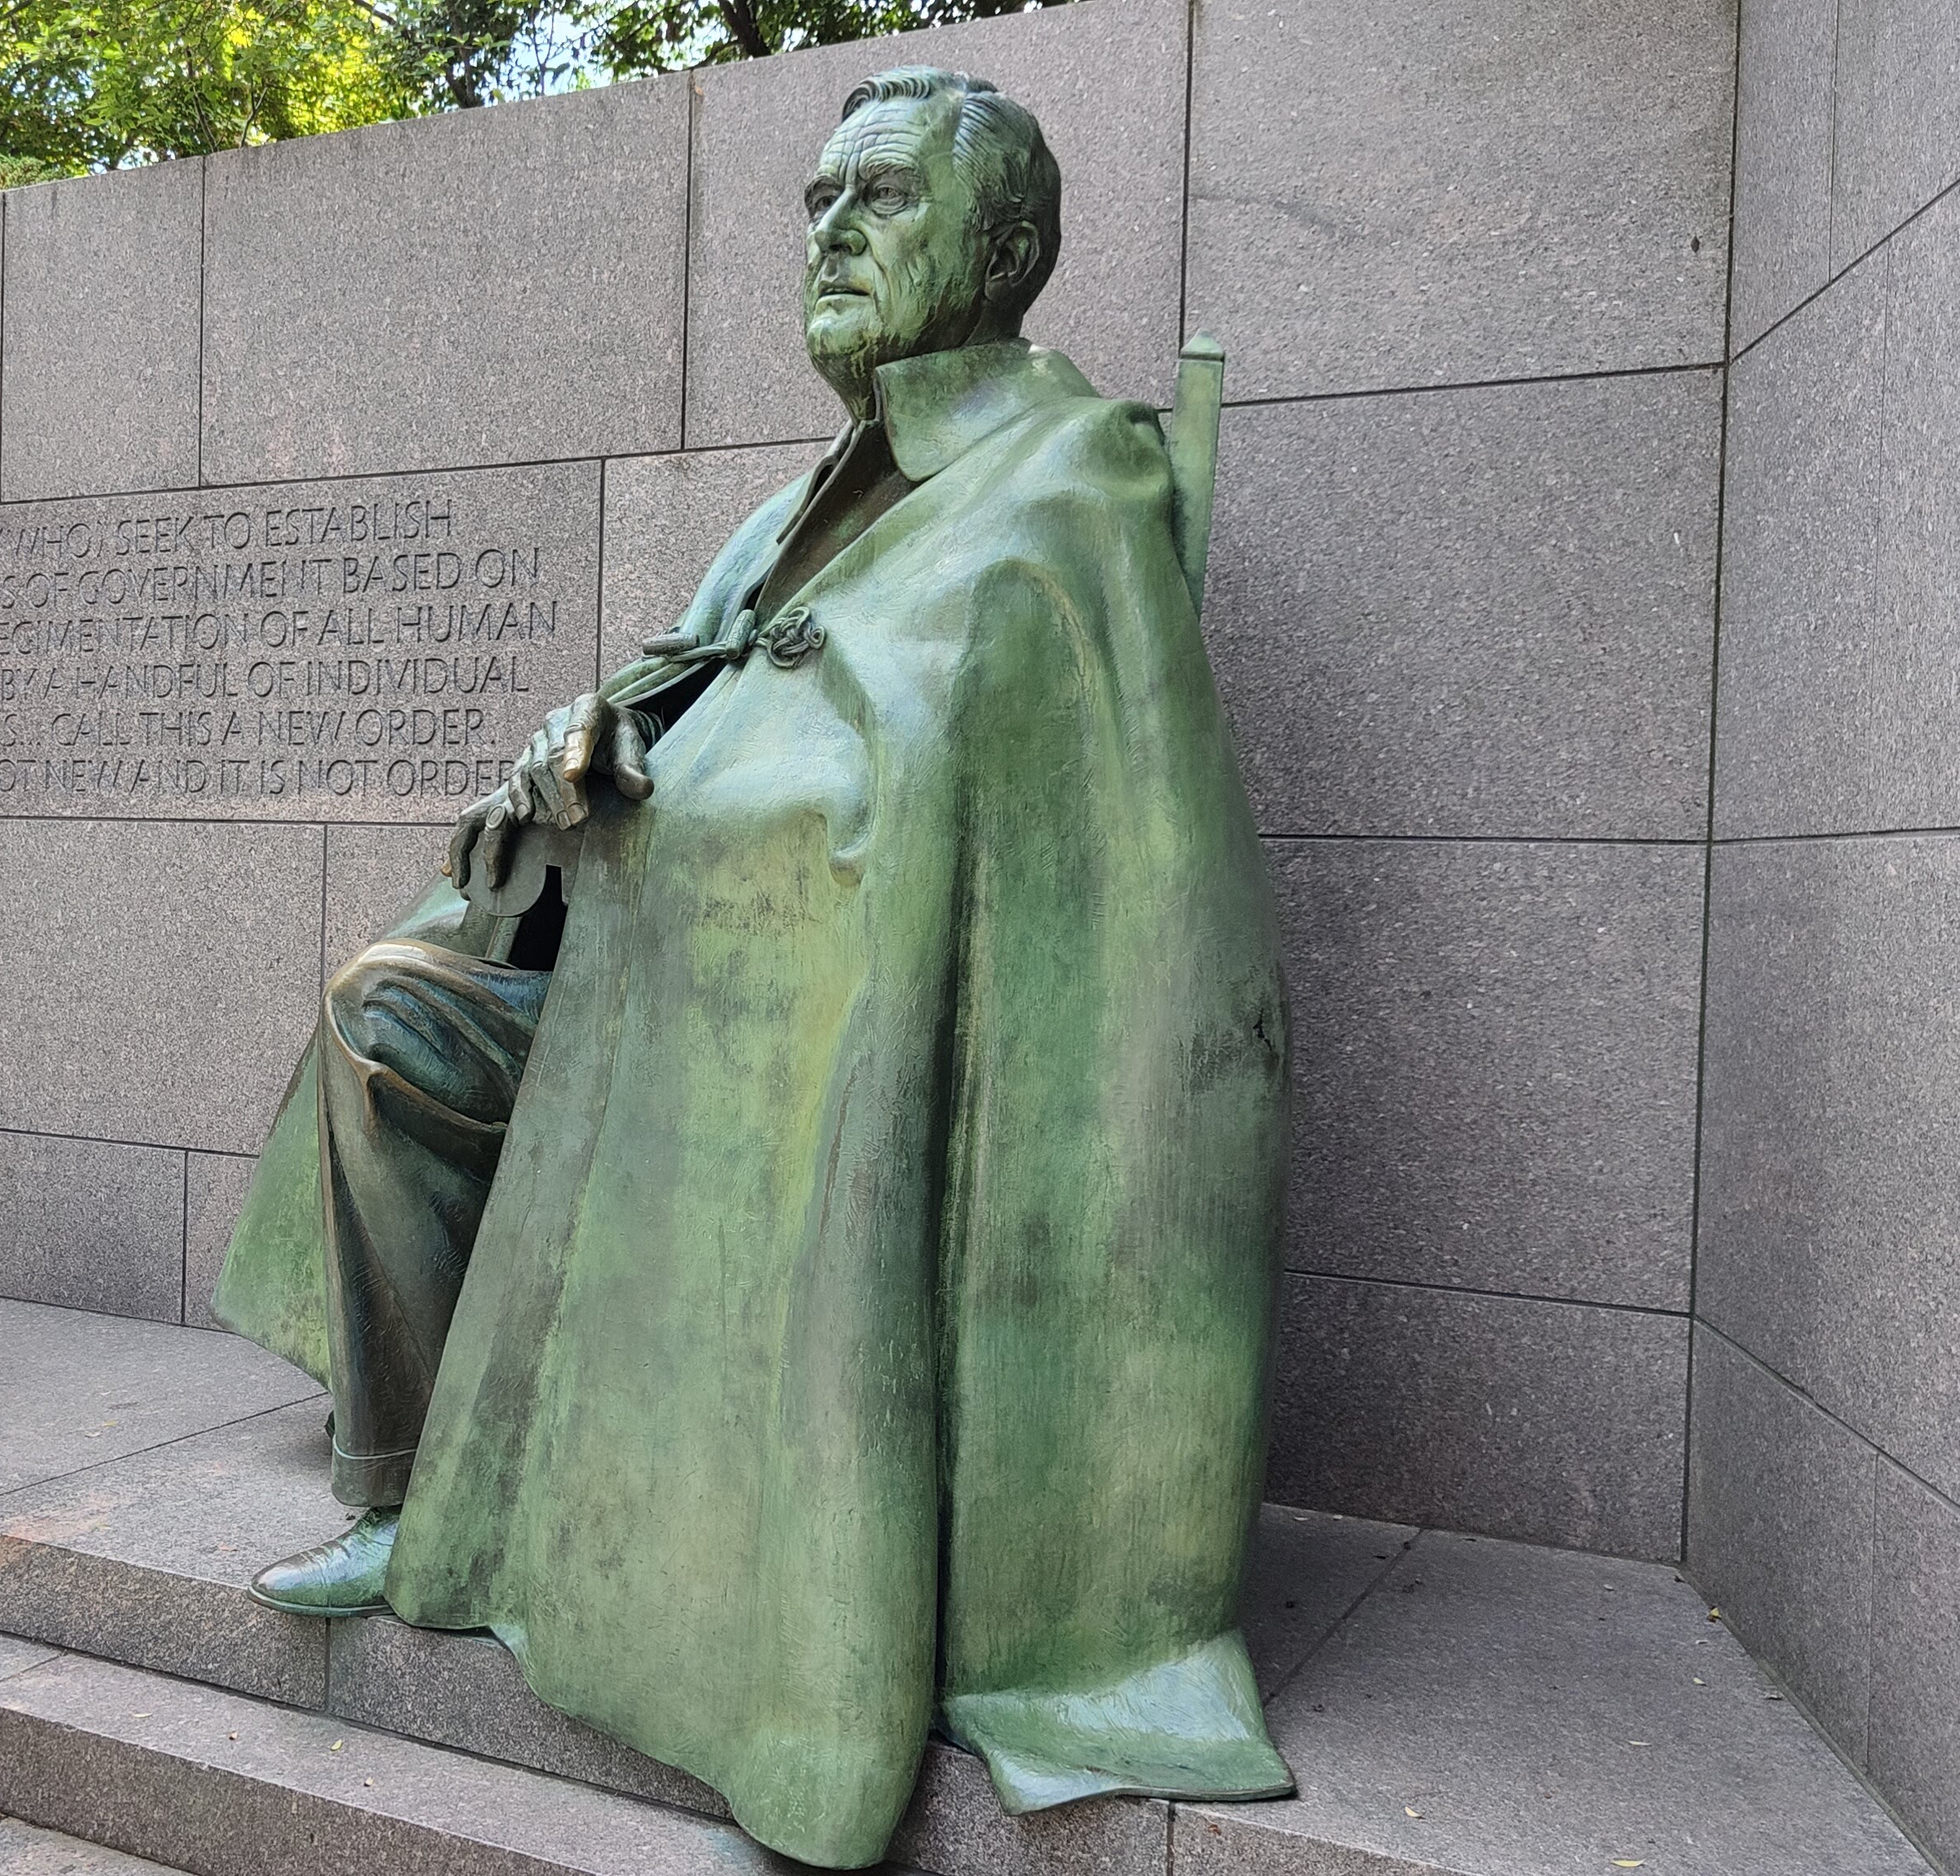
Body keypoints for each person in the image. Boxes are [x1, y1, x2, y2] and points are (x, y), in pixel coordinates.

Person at [210, 65, 1291, 1870]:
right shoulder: (800, 504)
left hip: (847, 1030)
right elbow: (685, 683)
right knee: (392, 1013)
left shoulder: (1074, 478)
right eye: (816, 201)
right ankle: (409, 1488)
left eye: (884, 196)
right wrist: (585, 750)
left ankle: (750, 1632)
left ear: (1003, 250)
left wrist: (746, 813)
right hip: (641, 978)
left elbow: (1051, 835)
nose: (832, 231)